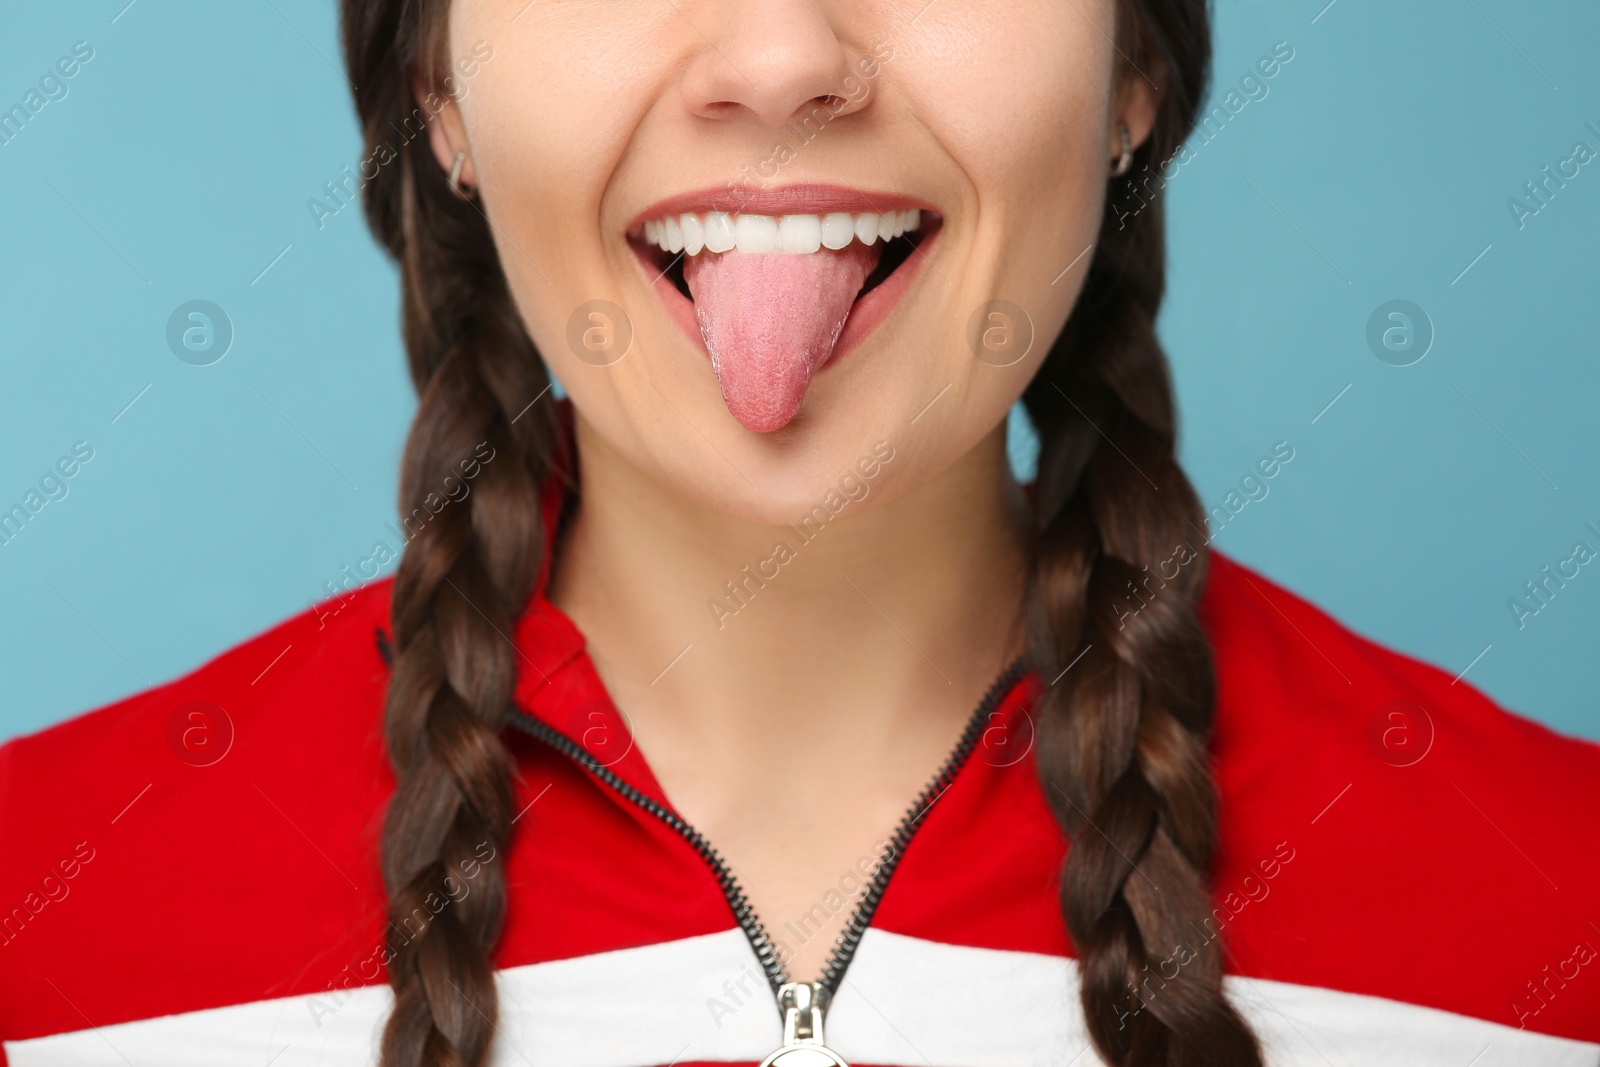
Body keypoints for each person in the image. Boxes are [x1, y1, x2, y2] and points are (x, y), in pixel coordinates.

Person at [2, 1, 1597, 1065]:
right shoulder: (42, 933)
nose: (777, 60)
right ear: (438, 91)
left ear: (1135, 72)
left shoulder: (1557, 927)